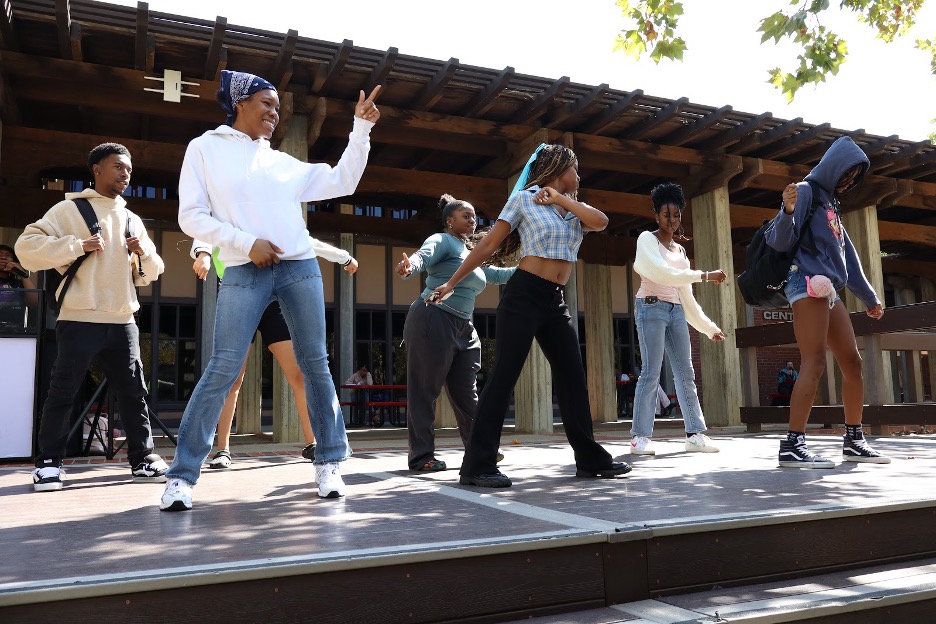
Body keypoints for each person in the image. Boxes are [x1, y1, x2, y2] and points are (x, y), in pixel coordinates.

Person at [159, 69, 381, 511]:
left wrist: (362, 129)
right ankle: (183, 476)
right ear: (240, 103)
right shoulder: (204, 148)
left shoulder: (280, 161)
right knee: (222, 369)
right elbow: (191, 216)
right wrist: (246, 243)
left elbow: (342, 183)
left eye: (278, 109)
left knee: (315, 364)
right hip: (244, 268)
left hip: (299, 267)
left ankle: (329, 462)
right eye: (267, 105)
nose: (274, 115)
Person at [428, 143, 631, 488]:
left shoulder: (573, 208)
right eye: (575, 169)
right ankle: (477, 465)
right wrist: (451, 282)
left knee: (573, 378)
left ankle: (590, 459)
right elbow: (489, 244)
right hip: (523, 296)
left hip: (554, 300)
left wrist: (562, 199)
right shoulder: (524, 199)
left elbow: (602, 222)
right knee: (504, 378)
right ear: (559, 167)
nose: (579, 176)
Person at [15, 142, 168, 491]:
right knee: (63, 392)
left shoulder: (132, 219)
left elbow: (152, 271)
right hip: (79, 316)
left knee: (134, 393)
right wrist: (75, 245)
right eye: (117, 166)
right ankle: (49, 464)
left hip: (123, 319)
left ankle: (143, 458)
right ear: (96, 170)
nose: (125, 173)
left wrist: (141, 250)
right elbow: (26, 247)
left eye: (128, 169)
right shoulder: (68, 210)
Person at [768, 136, 888, 468]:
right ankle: (792, 444)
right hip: (805, 283)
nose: (848, 181)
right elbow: (780, 240)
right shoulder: (806, 191)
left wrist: (870, 298)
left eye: (854, 177)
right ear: (833, 166)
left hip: (830, 291)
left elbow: (846, 259)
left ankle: (853, 440)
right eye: (845, 174)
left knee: (852, 363)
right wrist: (788, 209)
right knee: (815, 361)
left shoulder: (831, 204)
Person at [191, 239, 359, 468]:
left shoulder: (268, 216)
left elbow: (302, 239)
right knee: (232, 379)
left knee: (299, 374)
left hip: (274, 301)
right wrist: (203, 253)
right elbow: (208, 229)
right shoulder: (231, 213)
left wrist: (343, 257)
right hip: (238, 293)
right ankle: (222, 450)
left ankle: (312, 443)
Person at [396, 194, 515, 472]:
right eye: (466, 216)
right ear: (449, 221)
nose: (473, 221)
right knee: (424, 391)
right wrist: (409, 266)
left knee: (467, 395)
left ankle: (480, 449)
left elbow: (495, 275)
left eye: (475, 216)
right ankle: (422, 456)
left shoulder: (471, 253)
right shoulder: (442, 240)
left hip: (464, 327)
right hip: (432, 318)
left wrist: (529, 268)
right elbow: (422, 257)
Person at [629, 182, 727, 457]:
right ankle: (639, 437)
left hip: (675, 311)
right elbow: (663, 275)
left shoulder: (680, 251)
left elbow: (686, 296)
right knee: (651, 371)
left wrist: (708, 328)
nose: (671, 220)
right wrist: (705, 275)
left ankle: (695, 434)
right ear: (656, 216)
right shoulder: (646, 240)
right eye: (666, 215)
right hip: (650, 307)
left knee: (686, 373)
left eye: (676, 215)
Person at [0, 243, 38, 329]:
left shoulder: (18, 284)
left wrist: (22, 274)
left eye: (8, 255)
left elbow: (35, 304)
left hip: (14, 331)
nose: (3, 257)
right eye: (0, 255)